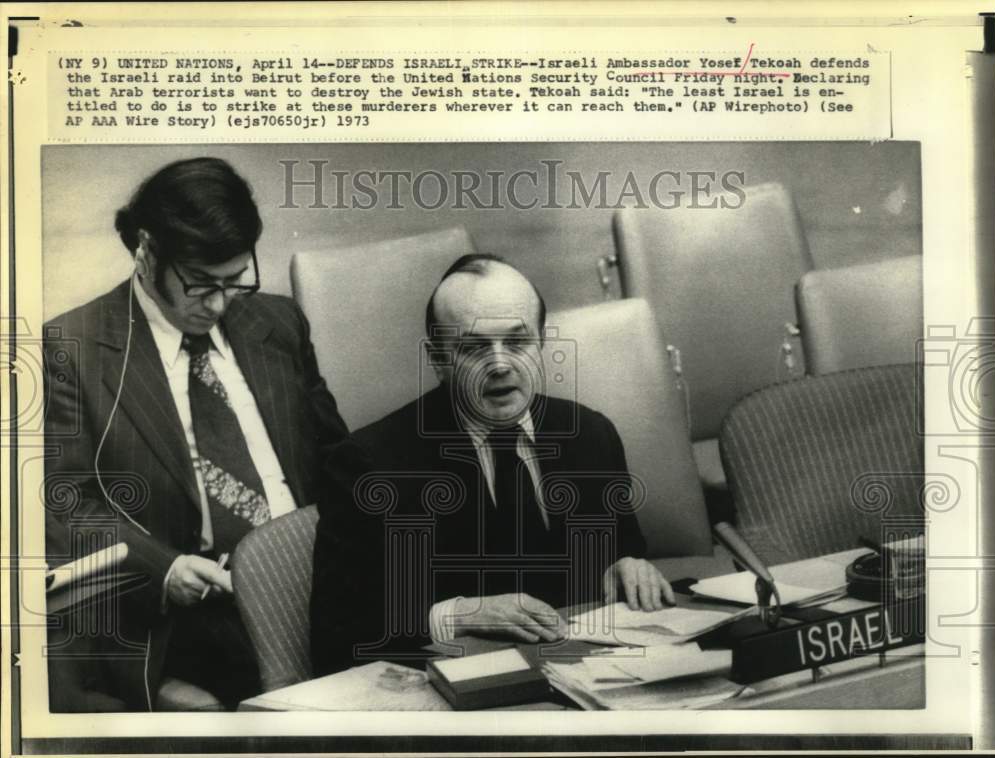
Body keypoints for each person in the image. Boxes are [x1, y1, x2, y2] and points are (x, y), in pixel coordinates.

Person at [44, 157, 357, 711]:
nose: (217, 305)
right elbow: (62, 499)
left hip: (318, 572)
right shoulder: (72, 348)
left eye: (234, 282)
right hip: (199, 602)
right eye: (199, 285)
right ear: (146, 251)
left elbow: (338, 457)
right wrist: (161, 569)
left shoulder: (278, 323)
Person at [310, 254, 674, 675]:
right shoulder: (370, 465)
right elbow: (335, 638)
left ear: (542, 343)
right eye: (473, 348)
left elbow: (620, 555)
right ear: (439, 359)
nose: (500, 365)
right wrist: (458, 616)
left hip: (591, 678)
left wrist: (627, 568)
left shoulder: (591, 436)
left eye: (517, 342)